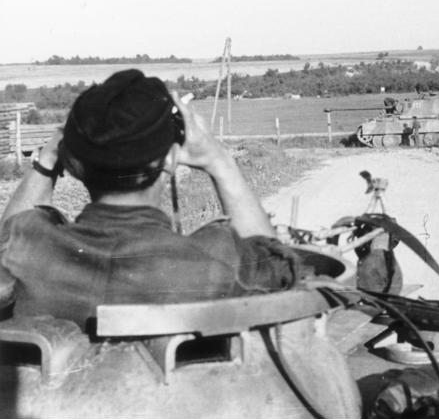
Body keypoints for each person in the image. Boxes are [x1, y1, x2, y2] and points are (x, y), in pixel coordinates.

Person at [0, 69, 303, 331]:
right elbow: (278, 269)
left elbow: (8, 235)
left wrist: (49, 158)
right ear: (170, 160)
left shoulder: (25, 247)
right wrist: (219, 161)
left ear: (75, 164)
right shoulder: (217, 259)